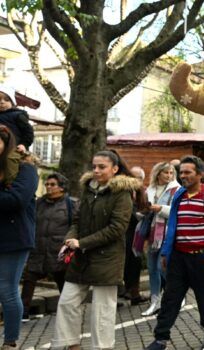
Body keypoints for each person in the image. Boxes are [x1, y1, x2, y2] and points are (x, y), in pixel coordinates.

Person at [52, 151, 141, 350]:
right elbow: (77, 220)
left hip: (107, 259)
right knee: (67, 302)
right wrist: (70, 239)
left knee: (102, 311)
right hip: (81, 258)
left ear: (115, 169)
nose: (96, 170)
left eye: (102, 167)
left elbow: (117, 229)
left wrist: (81, 243)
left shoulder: (122, 193)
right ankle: (72, 346)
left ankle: (102, 348)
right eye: (94, 166)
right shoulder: (88, 189)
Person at [145, 156, 204, 350]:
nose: (182, 176)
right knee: (171, 298)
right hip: (178, 256)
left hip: (200, 258)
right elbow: (174, 225)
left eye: (187, 172)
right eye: (181, 172)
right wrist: (166, 253)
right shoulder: (179, 195)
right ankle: (160, 339)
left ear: (200, 174)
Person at [0, 126, 37, 350]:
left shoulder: (25, 168)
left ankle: (10, 342)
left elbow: (16, 200)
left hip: (14, 237)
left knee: (7, 289)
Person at [21, 173, 78, 320]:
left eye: (52, 184)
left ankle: (67, 309)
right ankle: (23, 312)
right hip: (38, 247)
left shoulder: (70, 204)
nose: (48, 187)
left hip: (59, 249)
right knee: (29, 278)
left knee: (61, 279)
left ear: (61, 187)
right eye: (47, 184)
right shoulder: (39, 203)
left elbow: (76, 225)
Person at [141, 162, 180, 317]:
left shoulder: (176, 189)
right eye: (166, 173)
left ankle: (177, 295)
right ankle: (154, 301)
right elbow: (142, 211)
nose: (169, 176)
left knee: (161, 267)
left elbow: (177, 211)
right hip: (151, 234)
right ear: (158, 173)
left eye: (171, 173)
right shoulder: (149, 189)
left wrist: (160, 209)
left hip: (167, 233)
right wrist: (144, 210)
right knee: (151, 269)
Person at [123, 164, 149, 305]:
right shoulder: (123, 191)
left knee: (135, 263)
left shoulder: (144, 193)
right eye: (132, 176)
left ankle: (134, 293)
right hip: (124, 232)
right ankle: (125, 292)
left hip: (137, 233)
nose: (134, 179)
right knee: (124, 263)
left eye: (138, 177)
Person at [0, 84, 34, 153]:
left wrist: (24, 144)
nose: (2, 102)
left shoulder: (18, 115)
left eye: (6, 100)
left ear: (12, 102)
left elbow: (28, 132)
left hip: (14, 149)